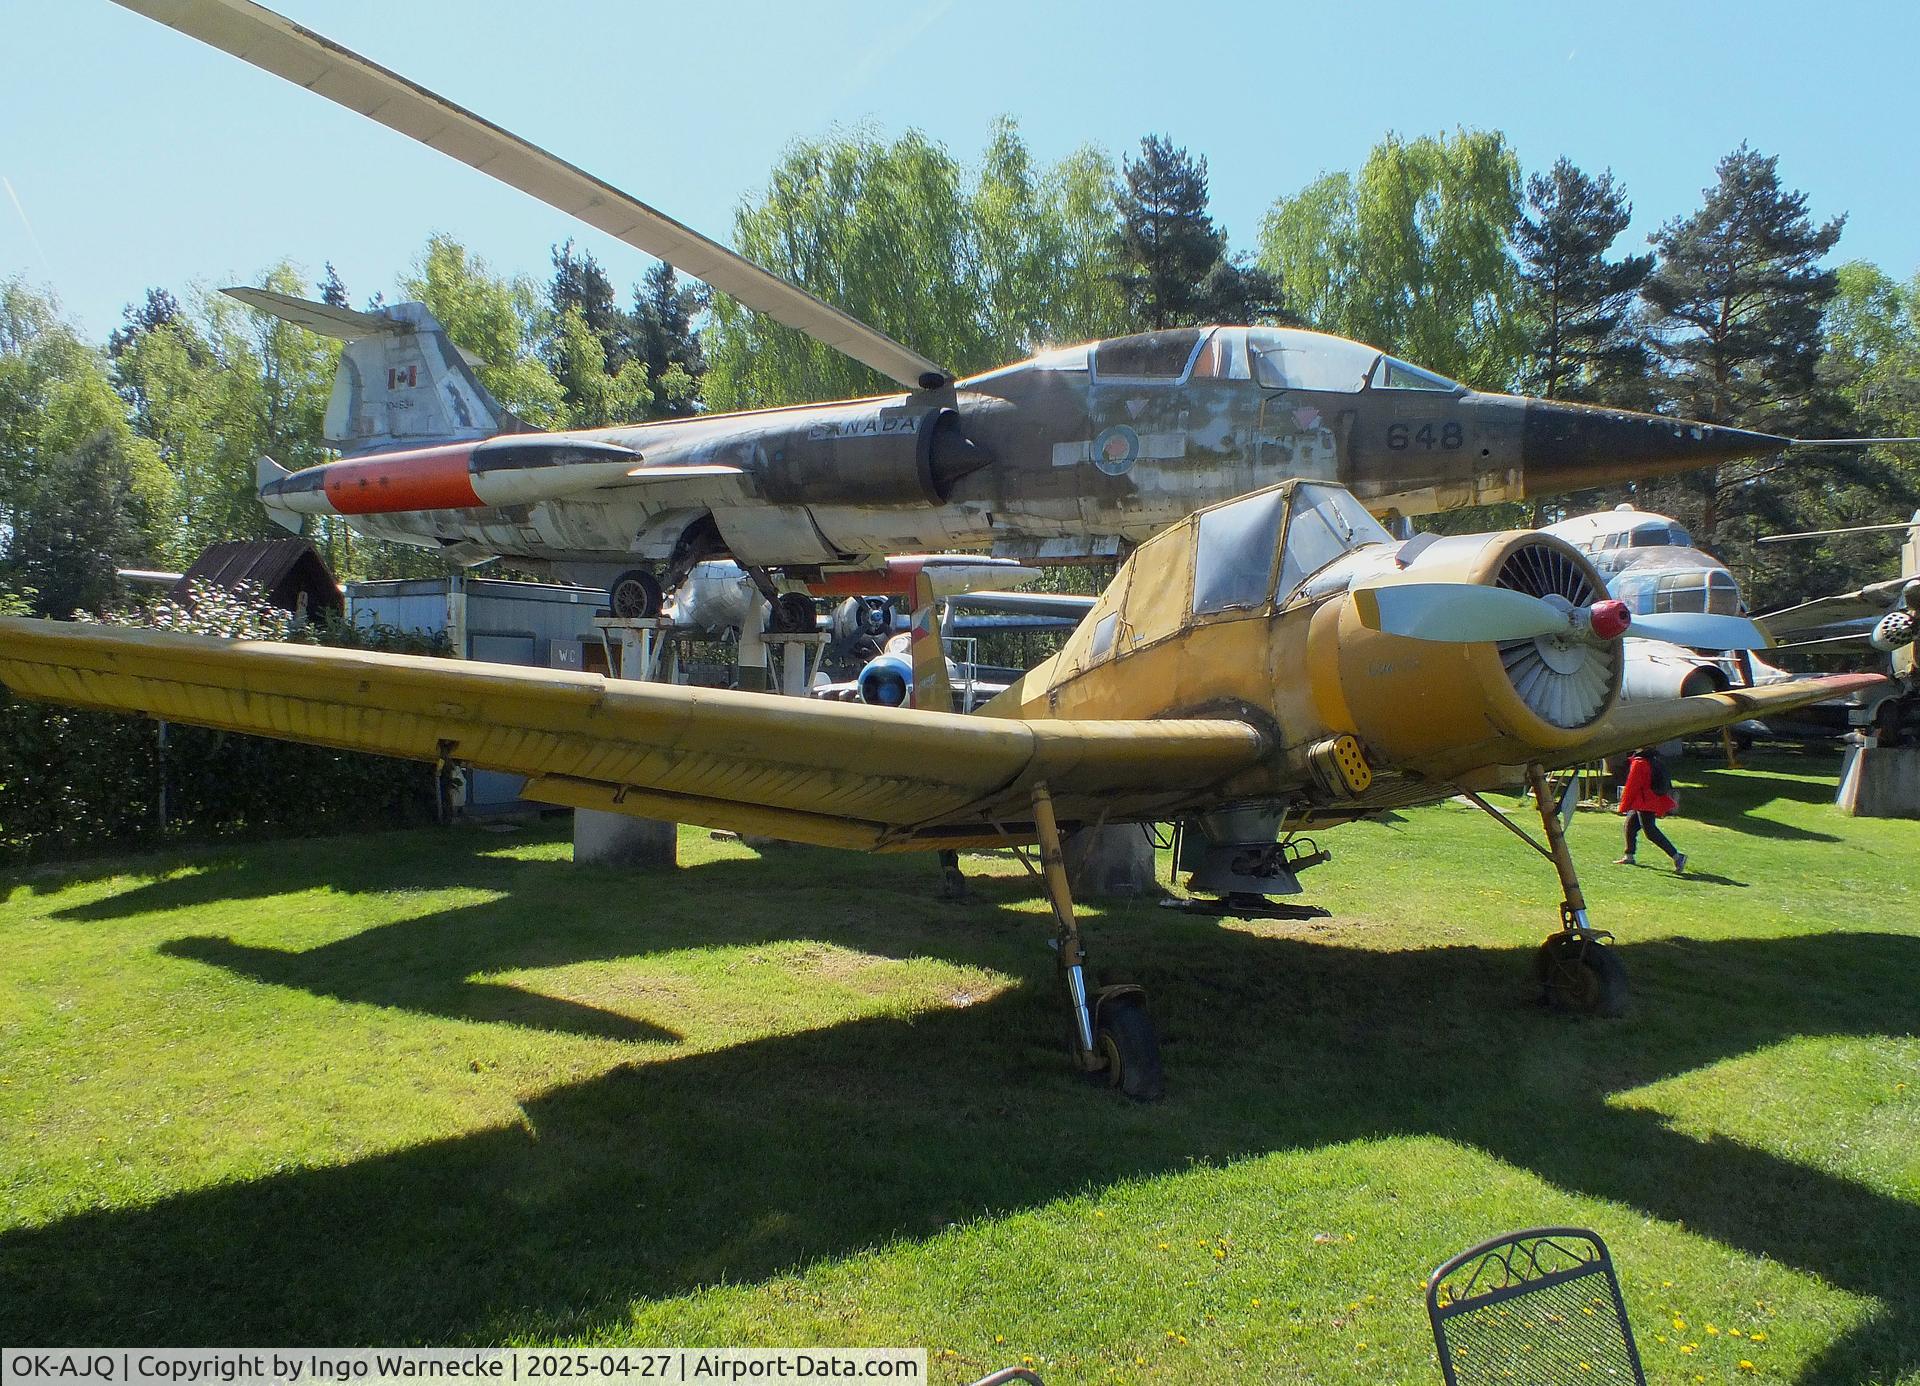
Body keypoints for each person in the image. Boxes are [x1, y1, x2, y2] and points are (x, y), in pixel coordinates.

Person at [1615, 746, 1687, 873]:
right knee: (1630, 826)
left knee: (1650, 832)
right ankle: (1629, 856)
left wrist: (1623, 806)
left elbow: (1632, 787)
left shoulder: (1639, 763)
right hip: (1648, 799)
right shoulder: (1652, 760)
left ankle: (1677, 856)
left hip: (1644, 802)